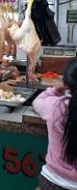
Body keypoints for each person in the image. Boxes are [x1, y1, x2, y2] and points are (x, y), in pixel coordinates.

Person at [32, 57, 77, 190]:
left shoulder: (57, 106)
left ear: (67, 83)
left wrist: (56, 89)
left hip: (51, 183)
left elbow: (37, 102)